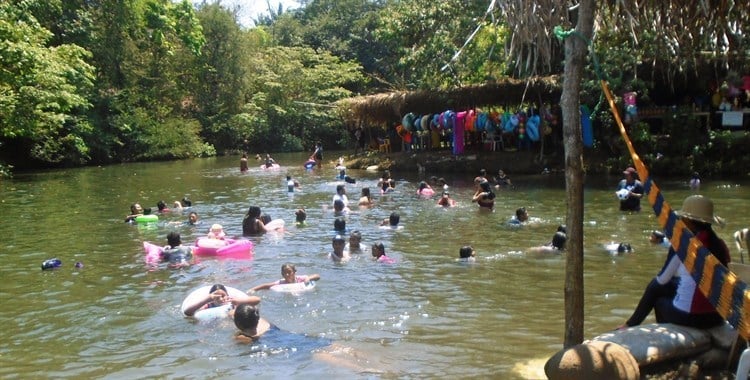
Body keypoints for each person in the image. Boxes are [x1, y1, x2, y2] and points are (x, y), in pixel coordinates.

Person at [617, 195, 730, 330]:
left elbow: (661, 281)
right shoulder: (720, 245)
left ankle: (630, 325)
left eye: (682, 219)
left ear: (688, 221)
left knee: (657, 294)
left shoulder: (684, 244)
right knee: (673, 284)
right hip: (717, 317)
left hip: (694, 318)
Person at [248, 263, 321, 292]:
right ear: (282, 274)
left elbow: (317, 276)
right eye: (284, 273)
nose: (287, 274)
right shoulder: (281, 282)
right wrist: (253, 289)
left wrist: (308, 278)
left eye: (289, 272)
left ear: (294, 272)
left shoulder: (300, 279)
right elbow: (266, 285)